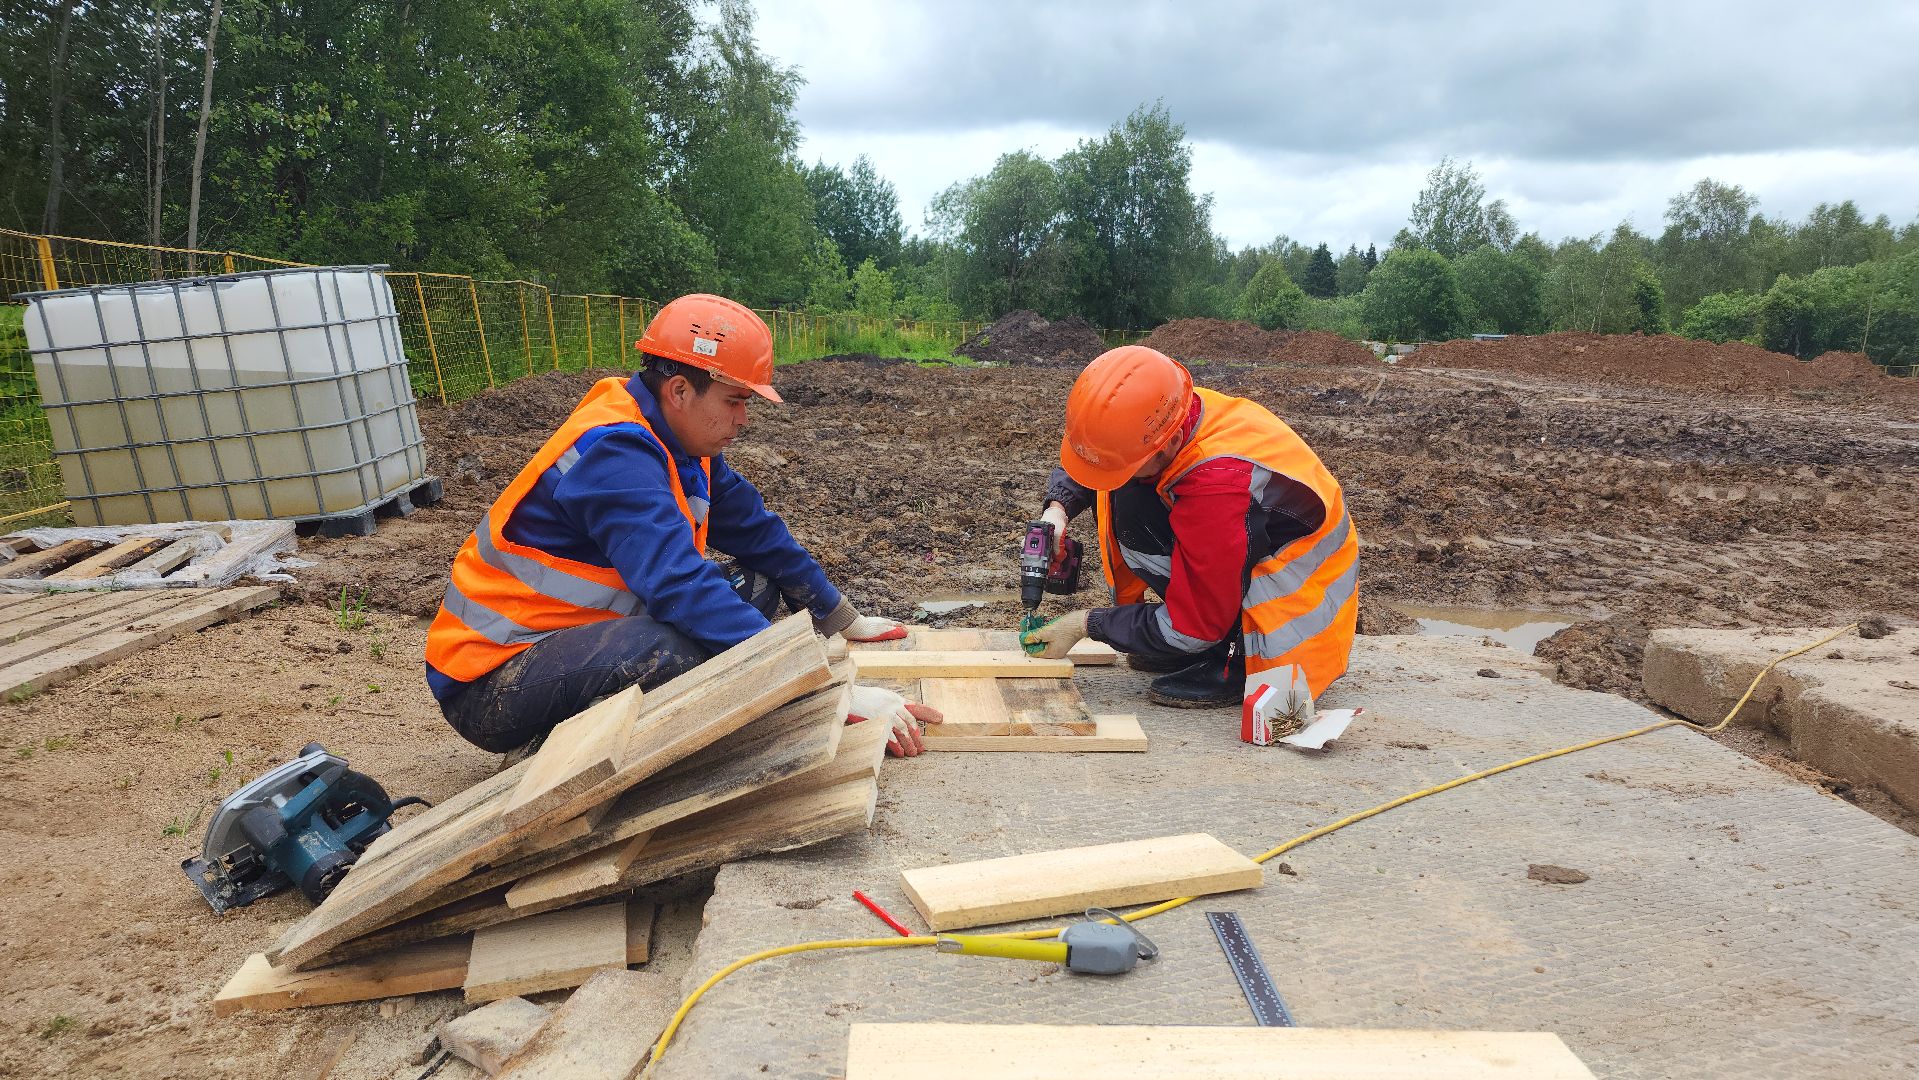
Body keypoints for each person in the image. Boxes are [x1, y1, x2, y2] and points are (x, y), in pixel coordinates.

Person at [425, 294, 940, 757]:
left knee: (757, 587)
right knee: (676, 652)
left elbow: (756, 532)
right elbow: (679, 585)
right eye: (734, 401)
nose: (743, 419)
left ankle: (601, 713)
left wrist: (838, 617)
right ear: (678, 390)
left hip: (573, 637)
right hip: (494, 680)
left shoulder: (682, 442)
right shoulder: (615, 452)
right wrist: (824, 686)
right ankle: (558, 745)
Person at [1020, 345, 1358, 711]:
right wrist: (1058, 510)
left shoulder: (1218, 485)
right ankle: (1198, 644)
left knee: (1189, 620)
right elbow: (1100, 456)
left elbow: (1194, 623)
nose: (1113, 475)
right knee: (1130, 496)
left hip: (1292, 600)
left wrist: (1085, 625)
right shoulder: (1161, 413)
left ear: (1172, 444)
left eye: (1123, 466)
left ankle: (1233, 657)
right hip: (1237, 534)